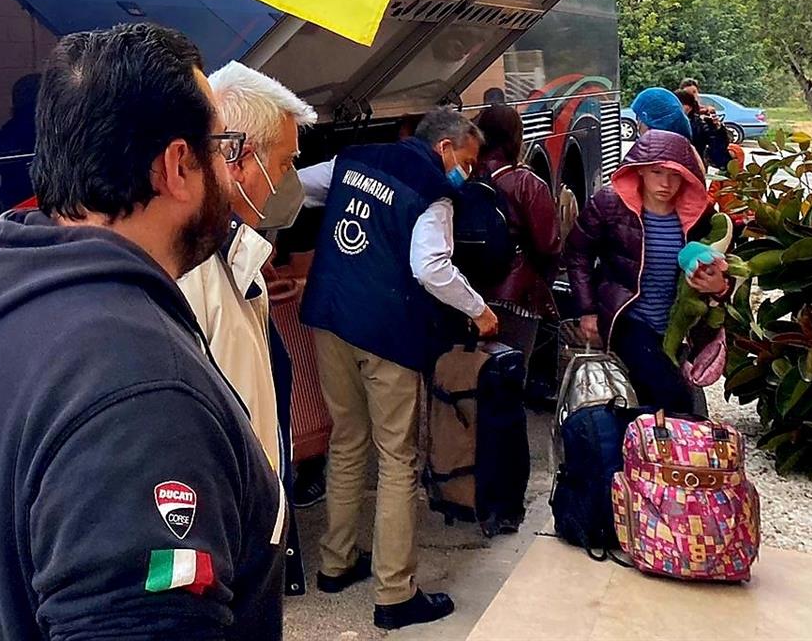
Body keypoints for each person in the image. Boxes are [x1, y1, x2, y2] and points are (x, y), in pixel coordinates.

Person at [0, 23, 284, 641]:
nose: (228, 169)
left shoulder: (18, 301)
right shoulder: (141, 393)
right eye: (221, 146)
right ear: (176, 167)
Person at [298, 107, 497, 630]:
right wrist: (478, 309)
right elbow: (430, 267)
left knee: (346, 440)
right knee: (396, 458)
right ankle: (394, 593)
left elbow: (296, 188)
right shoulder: (434, 190)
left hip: (330, 317)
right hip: (386, 333)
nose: (468, 173)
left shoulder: (352, 159)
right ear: (444, 147)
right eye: (467, 161)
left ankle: (336, 562)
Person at [177, 62, 316, 595]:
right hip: (231, 555)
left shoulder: (235, 256)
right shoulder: (195, 273)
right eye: (283, 163)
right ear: (237, 157)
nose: (285, 181)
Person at [564, 129, 730, 413]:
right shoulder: (609, 204)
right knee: (672, 399)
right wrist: (587, 310)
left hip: (678, 329)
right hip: (628, 320)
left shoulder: (699, 213)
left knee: (661, 406)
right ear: (639, 170)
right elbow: (577, 251)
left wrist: (719, 287)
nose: (666, 183)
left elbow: (729, 265)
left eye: (675, 175)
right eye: (656, 172)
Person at [471, 105, 560, 361]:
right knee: (510, 371)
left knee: (469, 373)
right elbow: (548, 245)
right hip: (516, 295)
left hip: (468, 293)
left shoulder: (465, 175)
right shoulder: (527, 183)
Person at [675, 80, 731, 175]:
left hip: (697, 167)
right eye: (688, 93)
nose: (693, 96)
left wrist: (718, 128)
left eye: (694, 92)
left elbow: (717, 146)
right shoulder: (669, 120)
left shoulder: (703, 118)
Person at [627, 85, 694, 140]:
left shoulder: (646, 149)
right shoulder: (686, 147)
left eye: (638, 118)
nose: (637, 124)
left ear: (647, 118)